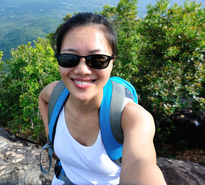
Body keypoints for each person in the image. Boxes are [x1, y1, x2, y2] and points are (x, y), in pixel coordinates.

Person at [38, 12, 166, 185]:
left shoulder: (132, 118)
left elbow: (140, 163)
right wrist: (50, 137)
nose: (82, 70)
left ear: (112, 62)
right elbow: (42, 99)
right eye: (69, 58)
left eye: (97, 59)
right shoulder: (56, 93)